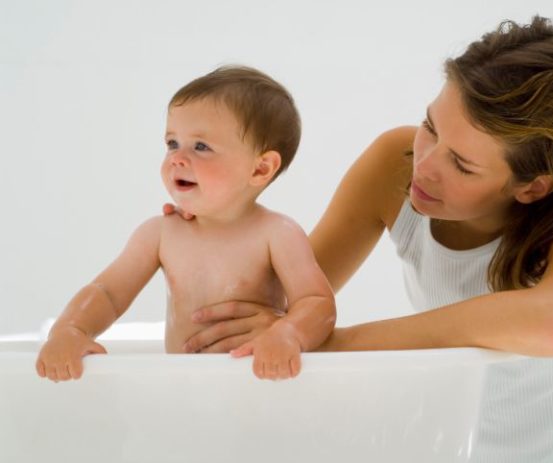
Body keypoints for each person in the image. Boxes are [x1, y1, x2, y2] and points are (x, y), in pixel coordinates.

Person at [171, 16, 553, 462]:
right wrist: (213, 221)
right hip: (450, 447)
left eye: (462, 165)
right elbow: (274, 302)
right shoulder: (396, 161)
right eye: (431, 126)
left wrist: (333, 343)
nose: (424, 166)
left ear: (533, 187)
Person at [35, 66, 336, 382]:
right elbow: (107, 293)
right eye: (172, 143)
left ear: (260, 169)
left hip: (258, 386)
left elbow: (317, 303)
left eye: (201, 146)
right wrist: (70, 329)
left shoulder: (277, 234)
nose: (177, 158)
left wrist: (288, 334)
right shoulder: (162, 233)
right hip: (183, 389)